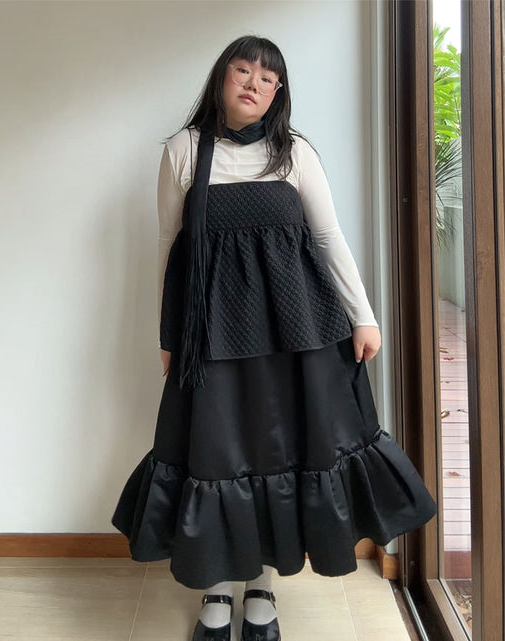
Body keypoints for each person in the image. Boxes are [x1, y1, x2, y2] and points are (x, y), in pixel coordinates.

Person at [111, 35, 437, 641]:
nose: (253, 84)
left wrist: (363, 315)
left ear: (277, 93)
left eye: (267, 78)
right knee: (214, 455)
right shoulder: (183, 151)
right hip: (211, 335)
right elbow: (169, 246)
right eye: (243, 70)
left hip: (296, 333)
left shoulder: (295, 152)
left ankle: (261, 587)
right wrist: (167, 331)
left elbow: (328, 237)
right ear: (222, 77)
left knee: (277, 455)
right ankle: (216, 590)